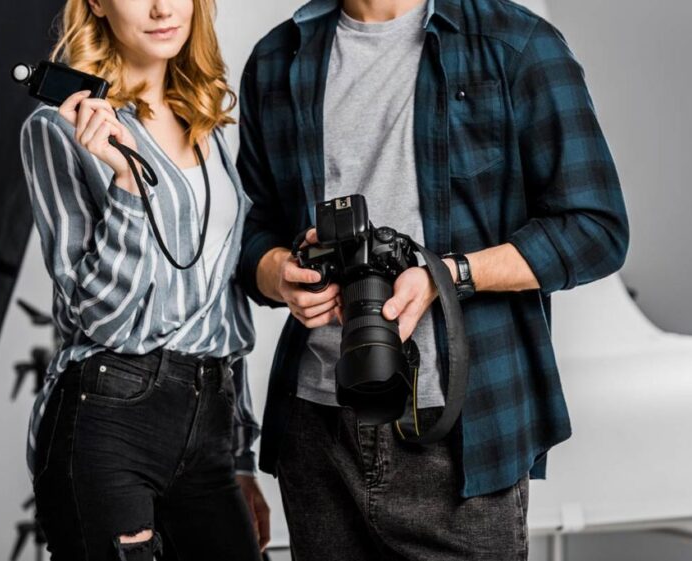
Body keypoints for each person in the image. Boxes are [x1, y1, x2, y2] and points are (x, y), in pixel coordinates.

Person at [236, 0, 630, 559]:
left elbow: (596, 229)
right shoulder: (278, 58)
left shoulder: (515, 44)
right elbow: (255, 228)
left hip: (463, 432)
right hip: (318, 429)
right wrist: (277, 274)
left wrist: (448, 276)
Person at [19, 0, 269, 558]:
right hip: (112, 416)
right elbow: (100, 317)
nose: (161, 8)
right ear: (97, 5)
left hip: (210, 429)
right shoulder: (57, 127)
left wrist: (241, 456)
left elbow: (221, 302)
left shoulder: (203, 121)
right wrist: (129, 183)